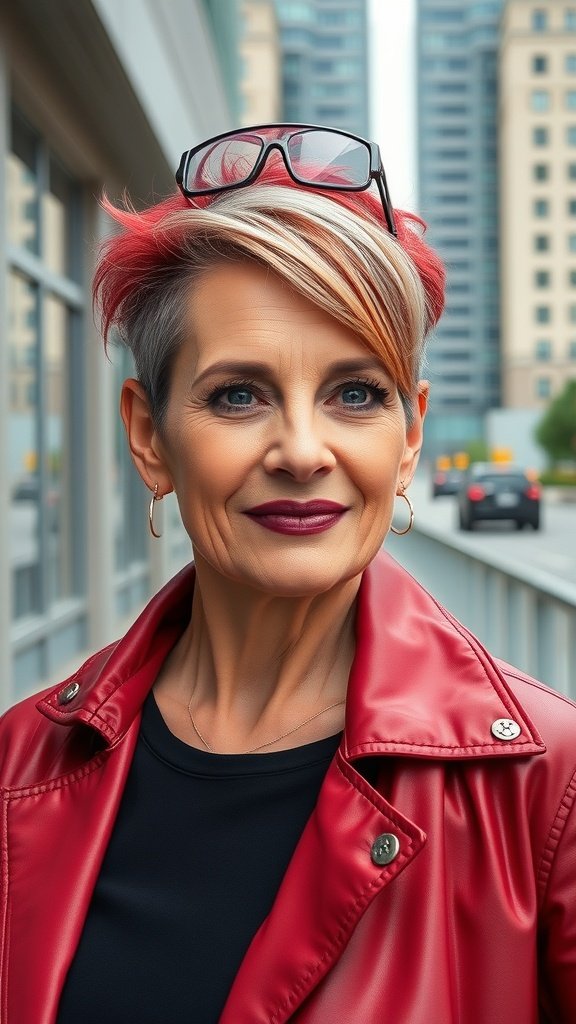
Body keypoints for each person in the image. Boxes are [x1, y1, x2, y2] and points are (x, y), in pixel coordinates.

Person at [0, 124, 574, 1024]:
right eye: (238, 395)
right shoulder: (15, 765)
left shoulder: (550, 788)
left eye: (356, 393)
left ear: (410, 436)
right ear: (150, 436)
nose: (303, 453)